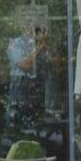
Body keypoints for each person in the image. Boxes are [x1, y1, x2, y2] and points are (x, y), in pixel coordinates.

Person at [5, 14, 52, 143]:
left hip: (38, 92)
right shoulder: (16, 44)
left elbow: (54, 65)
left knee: (38, 136)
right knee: (18, 135)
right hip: (21, 92)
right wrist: (40, 48)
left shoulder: (42, 45)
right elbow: (25, 64)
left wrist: (47, 47)